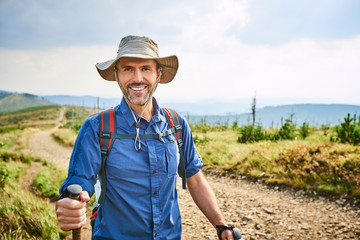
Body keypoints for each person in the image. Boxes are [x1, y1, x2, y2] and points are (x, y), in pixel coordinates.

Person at [56, 35, 240, 240]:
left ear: (158, 73)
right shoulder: (97, 127)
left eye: (145, 68)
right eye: (127, 68)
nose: (137, 78)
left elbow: (194, 178)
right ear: (116, 74)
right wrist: (70, 203)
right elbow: (80, 181)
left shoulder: (176, 124)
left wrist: (221, 225)